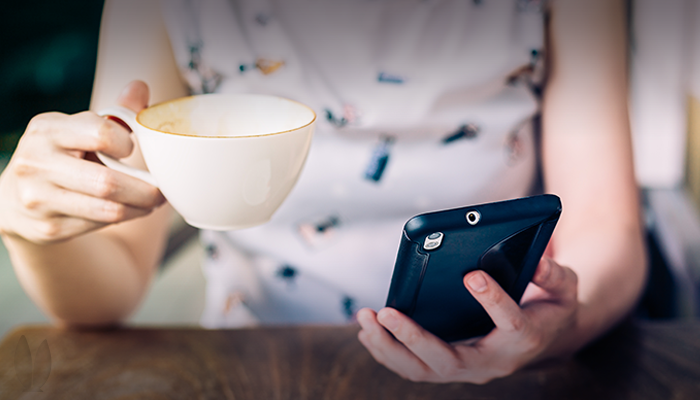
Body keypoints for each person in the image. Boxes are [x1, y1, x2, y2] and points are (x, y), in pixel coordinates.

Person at [0, 0, 645, 384]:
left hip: (504, 364)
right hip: (254, 368)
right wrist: (32, 228)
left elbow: (605, 226)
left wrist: (553, 330)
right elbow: (105, 287)